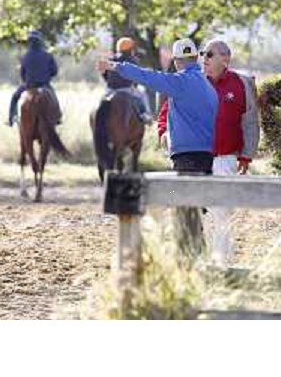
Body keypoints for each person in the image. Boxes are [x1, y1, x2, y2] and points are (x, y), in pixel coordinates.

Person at [158, 39, 260, 265]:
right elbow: (166, 110)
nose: (204, 58)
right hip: (194, 158)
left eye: (210, 54)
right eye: (202, 53)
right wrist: (164, 132)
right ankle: (193, 261)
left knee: (222, 213)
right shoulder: (191, 81)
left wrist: (247, 154)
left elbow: (250, 120)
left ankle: (221, 265)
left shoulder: (241, 83)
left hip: (226, 158)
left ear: (225, 59)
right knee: (190, 210)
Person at [97, 38, 218, 174]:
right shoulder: (209, 86)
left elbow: (147, 76)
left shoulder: (179, 82)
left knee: (175, 194)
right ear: (196, 57)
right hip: (208, 155)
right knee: (202, 194)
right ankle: (144, 115)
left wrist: (115, 66)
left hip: (186, 157)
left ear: (176, 60)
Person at [8, 30, 61, 126]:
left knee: (15, 97)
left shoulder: (25, 56)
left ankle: (12, 118)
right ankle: (57, 117)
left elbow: (22, 73)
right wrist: (47, 76)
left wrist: (26, 81)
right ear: (40, 42)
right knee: (54, 98)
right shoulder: (48, 55)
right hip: (45, 85)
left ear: (29, 42)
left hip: (29, 85)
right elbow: (54, 71)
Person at [100, 37, 154, 124]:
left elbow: (104, 74)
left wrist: (110, 81)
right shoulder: (132, 60)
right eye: (132, 48)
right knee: (142, 93)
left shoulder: (111, 59)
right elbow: (136, 78)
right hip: (127, 89)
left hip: (110, 90)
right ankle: (145, 115)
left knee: (102, 101)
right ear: (129, 49)